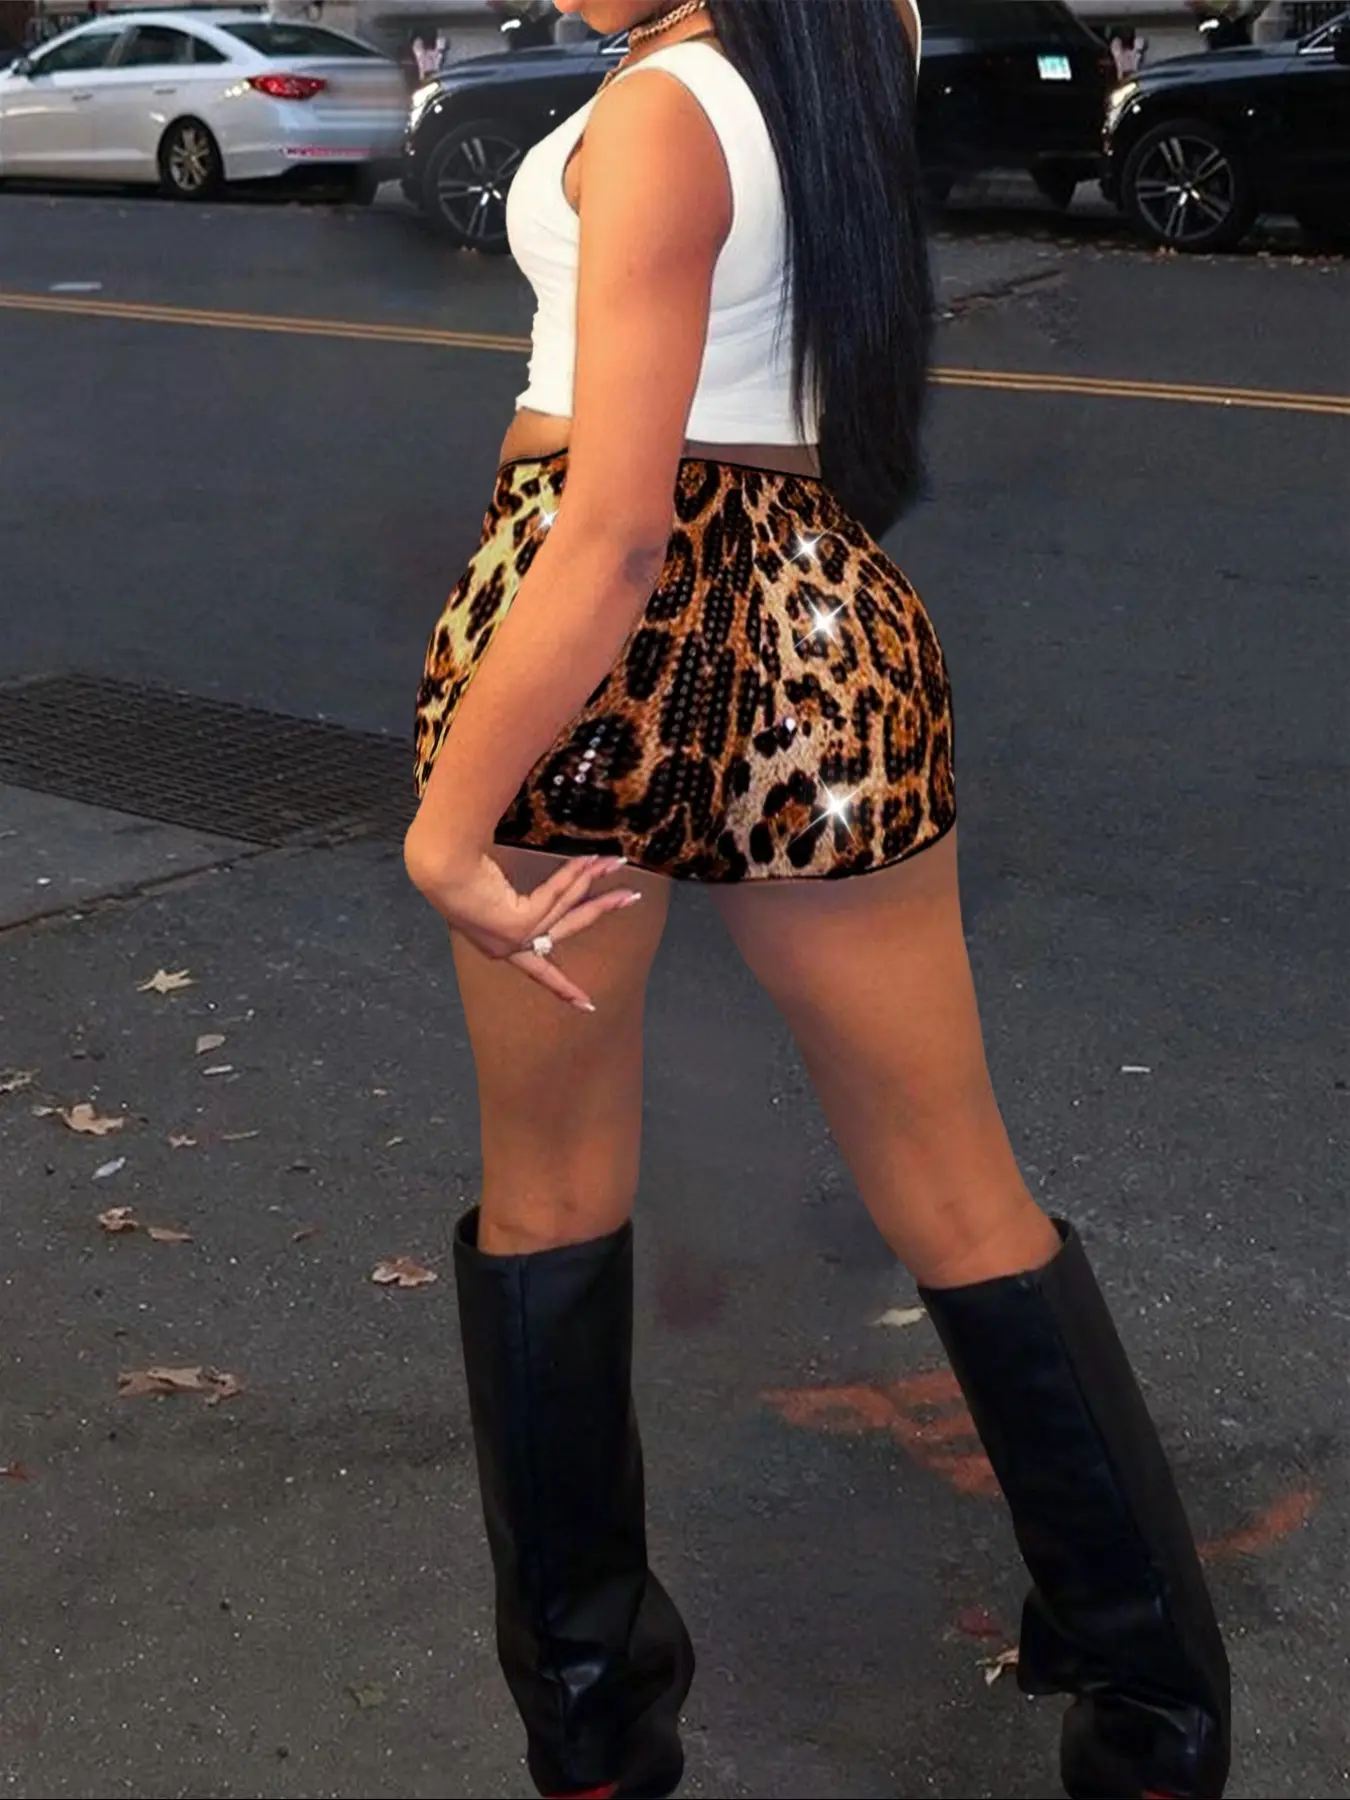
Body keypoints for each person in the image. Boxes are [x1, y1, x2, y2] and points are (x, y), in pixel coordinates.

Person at [403, 2, 1232, 1796]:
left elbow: (616, 532)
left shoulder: (658, 112)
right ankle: (1152, 1701)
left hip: (594, 656)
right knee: (956, 1183)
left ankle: (592, 1721)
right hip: (819, 627)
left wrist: (447, 827)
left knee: (550, 1193)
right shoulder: (852, 44)